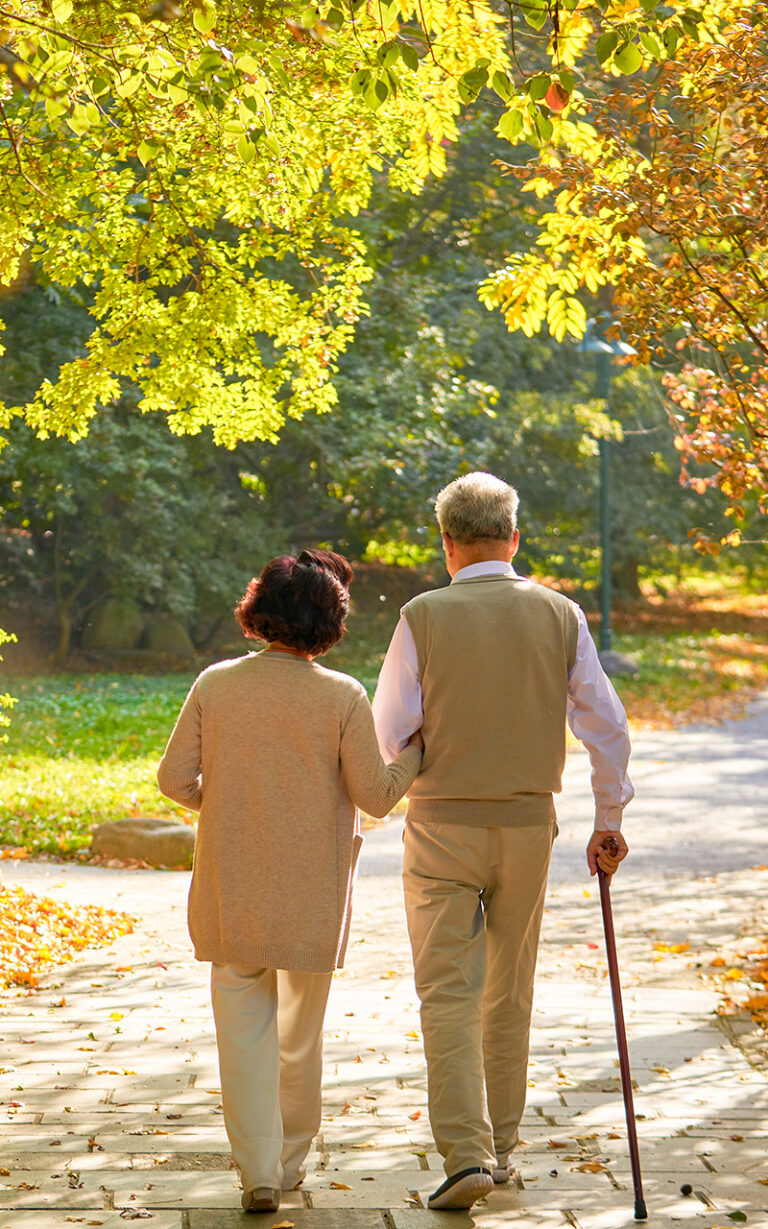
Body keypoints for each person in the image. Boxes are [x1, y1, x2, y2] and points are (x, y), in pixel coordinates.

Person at [372, 472, 633, 1211]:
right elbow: (605, 726)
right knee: (509, 989)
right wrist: (607, 817)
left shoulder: (422, 615)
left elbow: (389, 729)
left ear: (447, 544)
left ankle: (467, 1154)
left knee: (447, 992)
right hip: (527, 828)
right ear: (514, 538)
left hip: (442, 824)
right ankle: (506, 1149)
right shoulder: (560, 614)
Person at [157, 549, 423, 1215]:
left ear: (260, 610)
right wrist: (416, 751)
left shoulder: (215, 684)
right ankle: (293, 1157)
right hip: (312, 889)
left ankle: (257, 1172)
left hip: (232, 884)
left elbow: (172, 779)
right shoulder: (341, 695)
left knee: (241, 1028)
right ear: (330, 621)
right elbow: (375, 793)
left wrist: (223, 804)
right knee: (300, 1032)